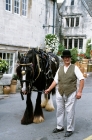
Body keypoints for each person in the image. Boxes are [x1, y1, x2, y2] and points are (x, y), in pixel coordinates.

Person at [44, 50, 84, 137]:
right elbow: (55, 81)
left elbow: (81, 79)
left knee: (70, 112)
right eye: (65, 57)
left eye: (68, 57)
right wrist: (49, 89)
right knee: (59, 111)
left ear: (70, 58)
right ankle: (60, 127)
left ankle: (70, 129)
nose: (67, 59)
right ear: (63, 59)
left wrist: (80, 92)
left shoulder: (75, 68)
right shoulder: (60, 68)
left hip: (71, 92)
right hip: (60, 92)